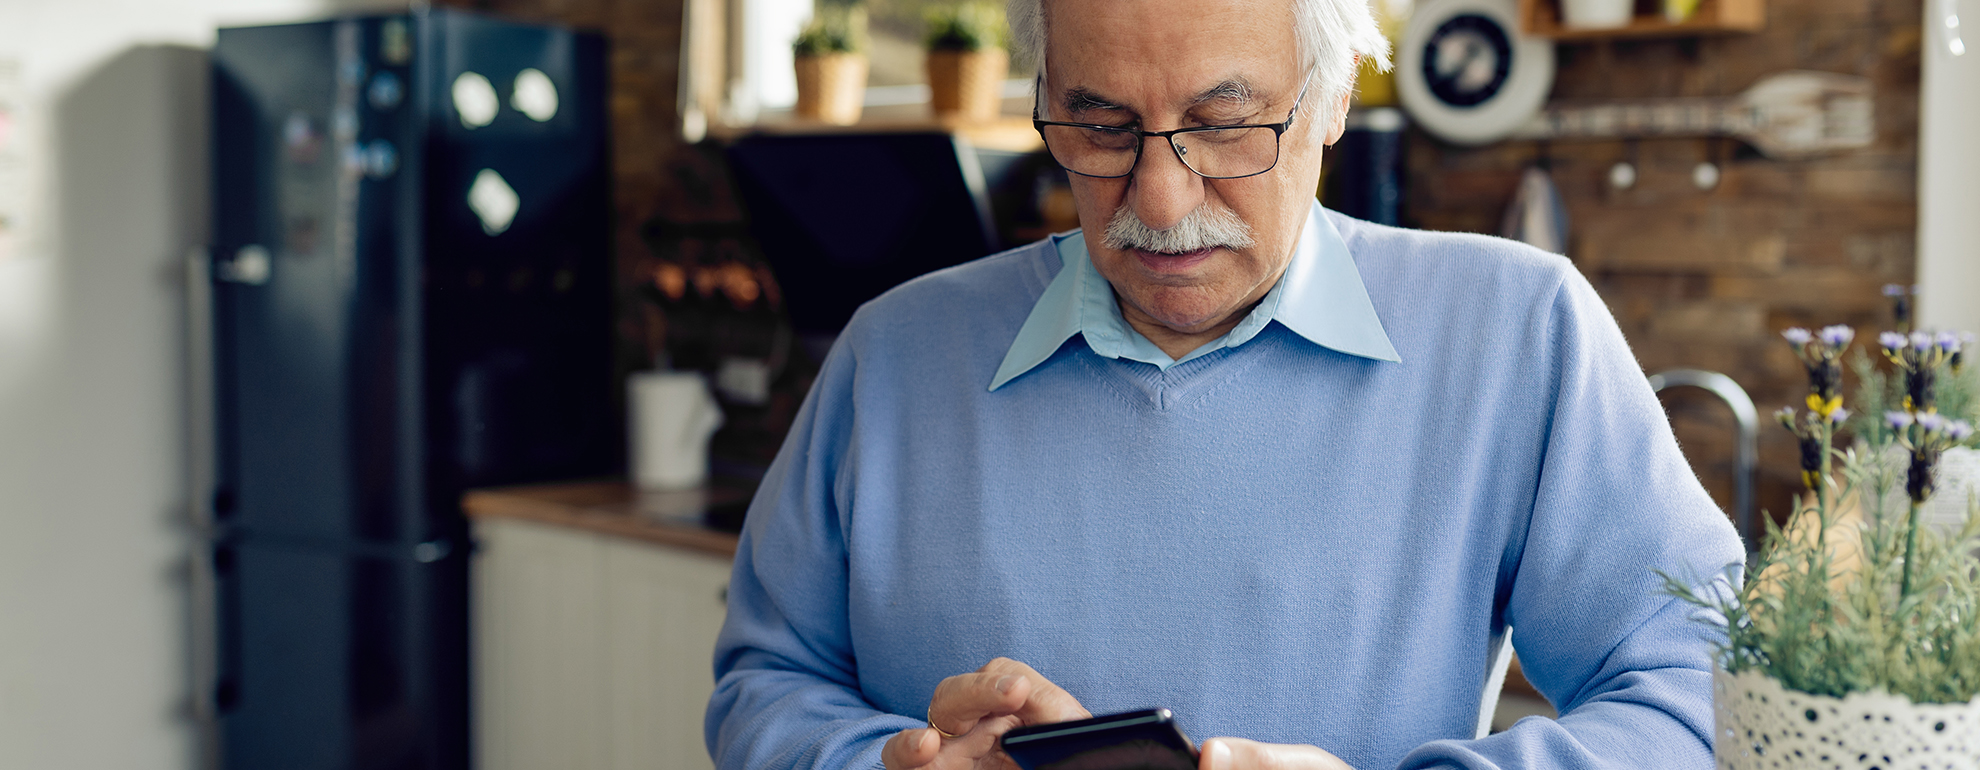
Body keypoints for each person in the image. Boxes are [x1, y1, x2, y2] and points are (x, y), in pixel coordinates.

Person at [705, 0, 1746, 767]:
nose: (1159, 199)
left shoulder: (1519, 333)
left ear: (1331, 101)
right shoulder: (891, 352)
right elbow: (765, 682)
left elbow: (1707, 693)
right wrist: (879, 762)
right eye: (1102, 126)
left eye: (1225, 124)